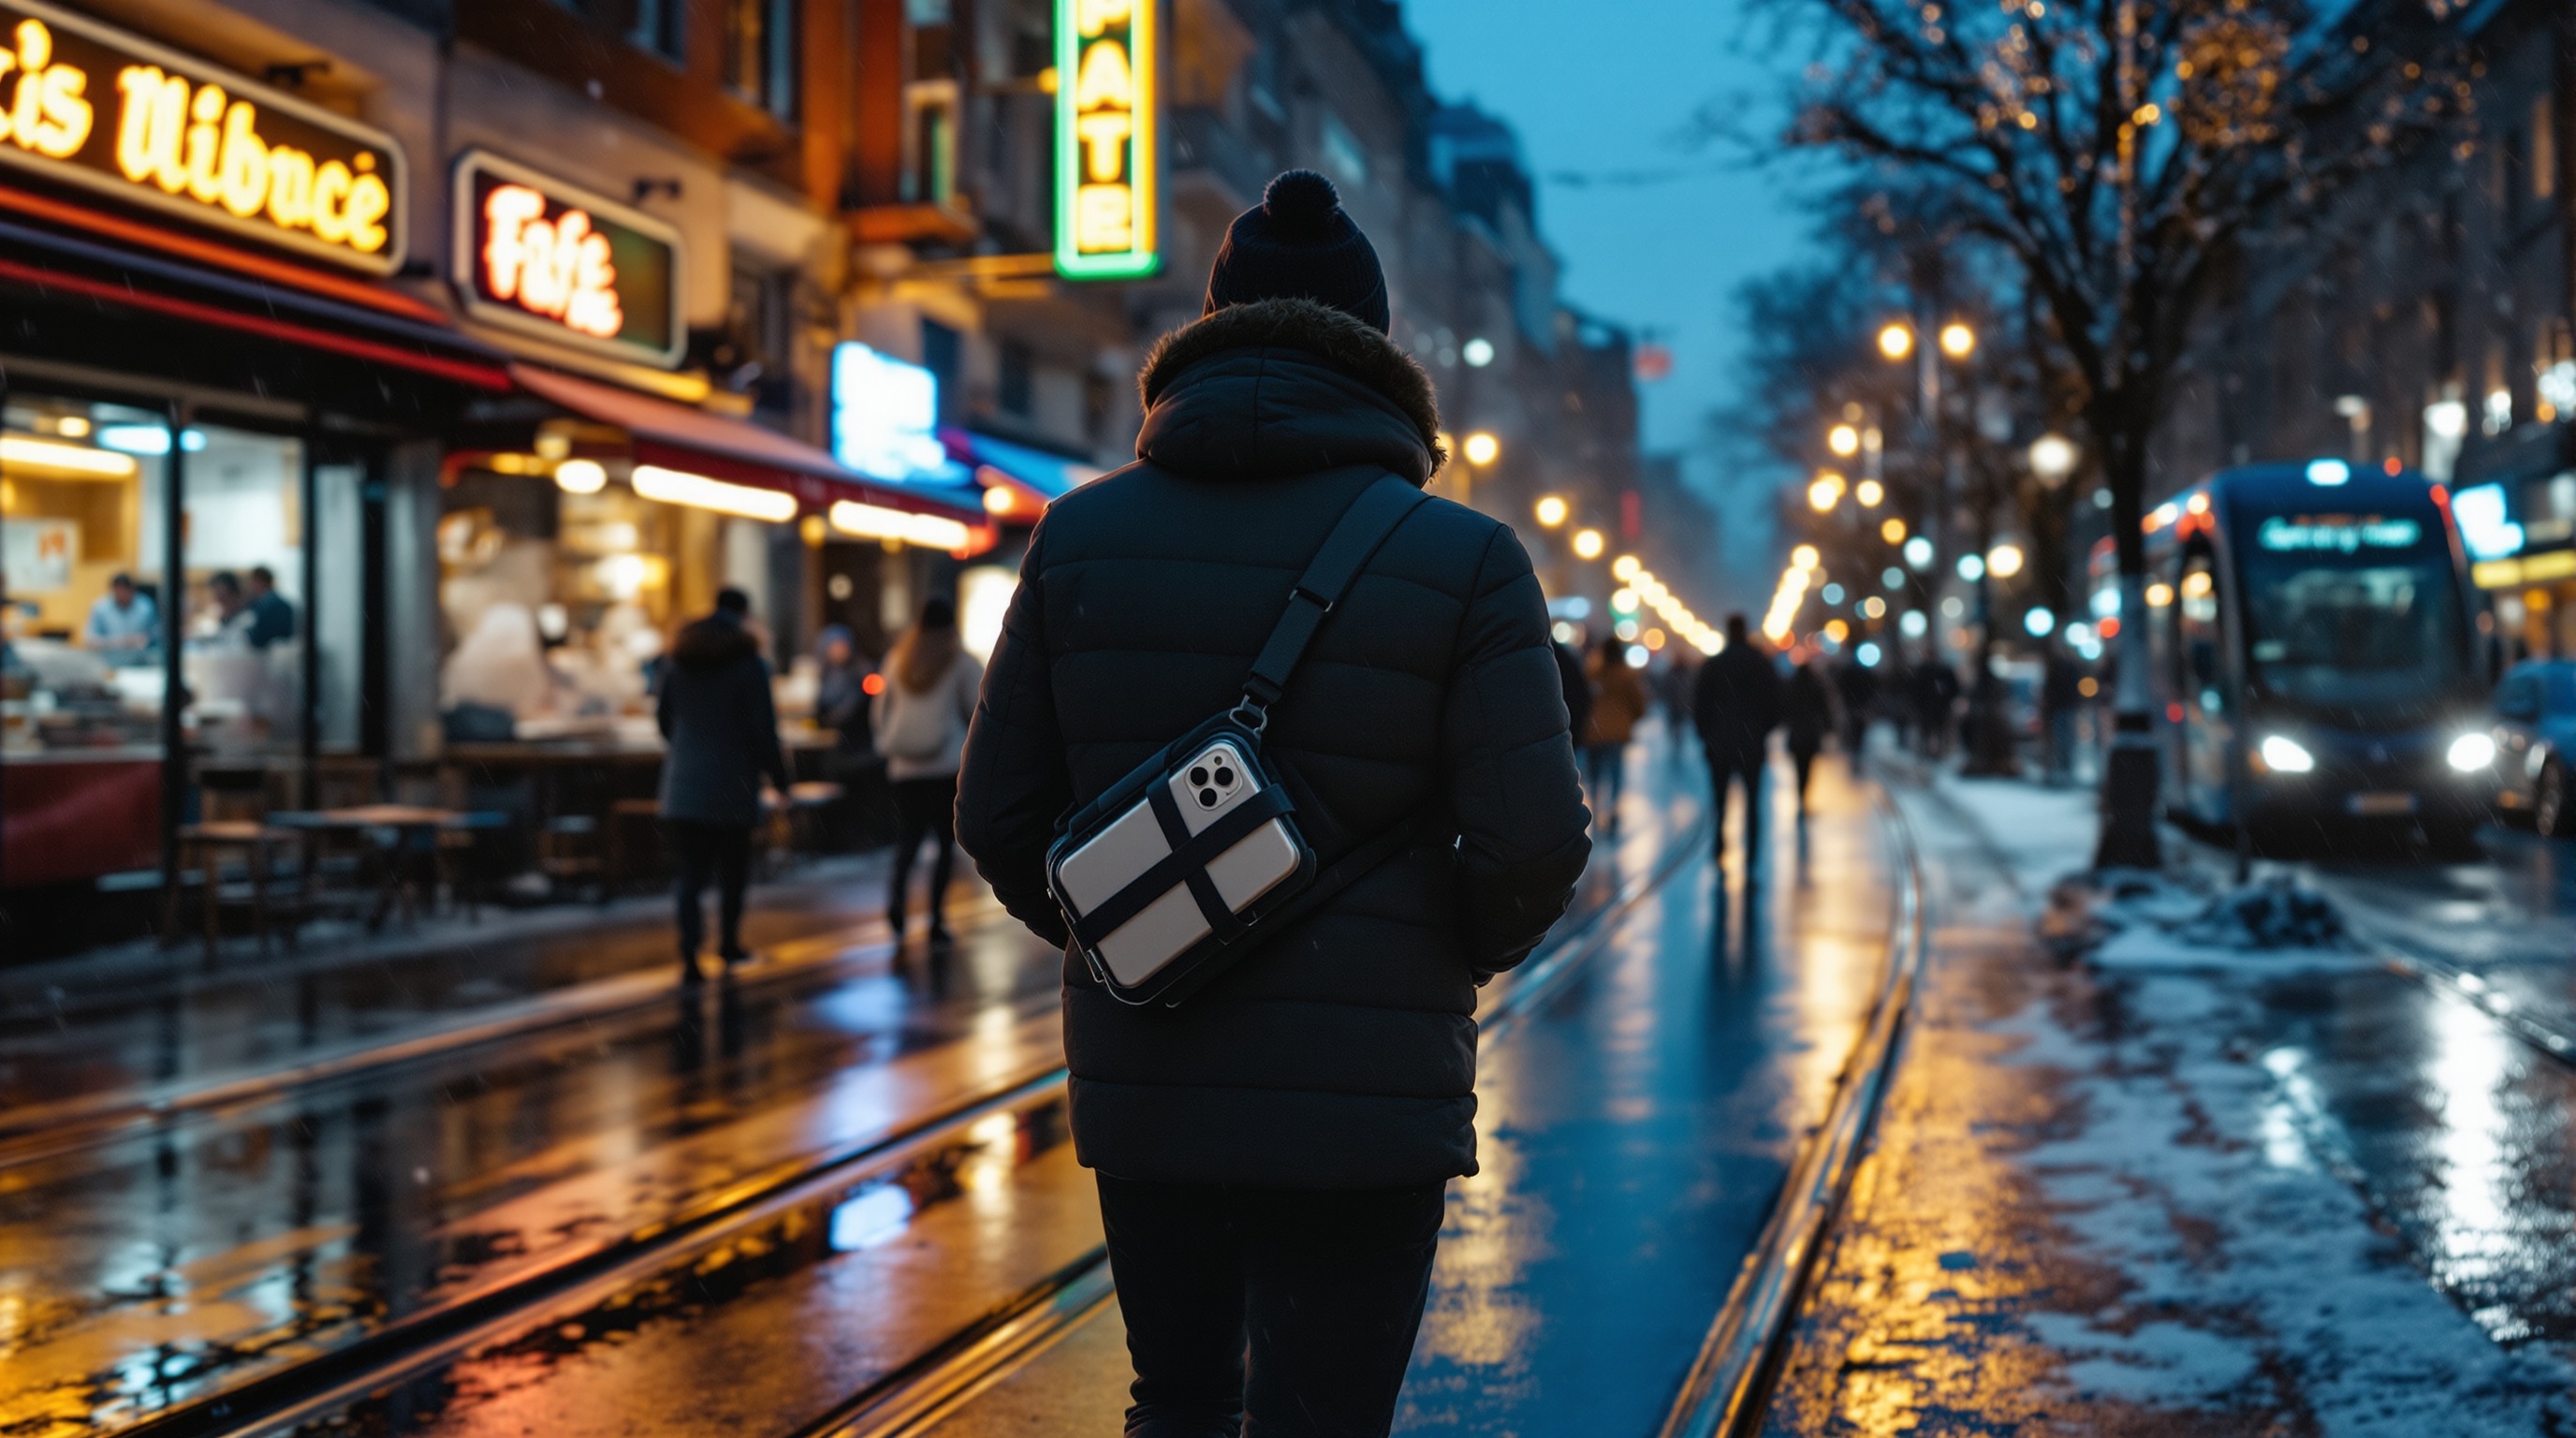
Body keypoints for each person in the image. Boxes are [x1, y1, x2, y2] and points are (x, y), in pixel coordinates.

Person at [955, 169, 1589, 1438]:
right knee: (1326, 1417)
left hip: (1157, 1078)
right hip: (1371, 1095)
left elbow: (998, 813)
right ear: (1382, 344)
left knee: (1179, 1400)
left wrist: (1132, 930)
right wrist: (1430, 953)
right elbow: (1534, 840)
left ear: (1212, 323)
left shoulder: (1078, 535)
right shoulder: (1465, 559)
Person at [657, 587, 790, 983]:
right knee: (733, 871)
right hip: (732, 782)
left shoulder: (677, 661)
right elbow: (763, 730)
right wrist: (780, 779)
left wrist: (688, 751)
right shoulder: (749, 664)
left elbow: (664, 721)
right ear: (743, 614)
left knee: (690, 874)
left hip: (683, 783)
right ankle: (728, 944)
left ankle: (689, 955)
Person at [872, 597, 981, 948]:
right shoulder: (960, 662)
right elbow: (978, 712)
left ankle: (896, 907)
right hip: (945, 766)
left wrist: (887, 744)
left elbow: (880, 713)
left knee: (907, 840)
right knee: (944, 845)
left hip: (904, 769)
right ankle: (935, 919)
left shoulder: (897, 660)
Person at [1694, 614, 1783, 867]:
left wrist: (1706, 734)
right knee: (1753, 804)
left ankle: (1720, 845)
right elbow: (1775, 702)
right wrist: (1763, 730)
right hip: (1751, 742)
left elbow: (1701, 702)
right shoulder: (1760, 663)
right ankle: (1752, 857)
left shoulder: (1715, 664)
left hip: (1719, 742)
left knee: (1720, 801)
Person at [1582, 635, 1647, 828]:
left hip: (1593, 730)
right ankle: (1612, 810)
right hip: (1617, 732)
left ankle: (1594, 810)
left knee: (1595, 774)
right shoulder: (1626, 674)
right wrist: (1629, 719)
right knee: (1615, 773)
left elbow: (1583, 697)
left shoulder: (1593, 672)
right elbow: (1638, 703)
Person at [1783, 655, 1840, 815]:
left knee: (1798, 767)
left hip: (1796, 733)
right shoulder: (1815, 685)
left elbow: (1784, 708)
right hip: (1810, 733)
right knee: (1807, 767)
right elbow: (1824, 708)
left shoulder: (1792, 686)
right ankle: (1804, 796)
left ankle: (1800, 796)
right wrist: (1829, 727)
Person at [2041, 638, 2085, 785]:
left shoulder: (2067, 667)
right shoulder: (2055, 667)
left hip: (2065, 708)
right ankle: (2061, 770)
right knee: (2060, 741)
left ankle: (2065, 770)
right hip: (2059, 708)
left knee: (2066, 741)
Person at [83, 574, 157, 658]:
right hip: (109, 660)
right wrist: (118, 642)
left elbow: (157, 634)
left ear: (132, 590)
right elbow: (89, 640)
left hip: (140, 659)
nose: (122, 595)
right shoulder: (100, 608)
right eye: (118, 592)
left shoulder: (145, 606)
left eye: (125, 591)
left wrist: (146, 639)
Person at [242, 565, 295, 650]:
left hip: (270, 653)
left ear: (258, 582)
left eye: (251, 582)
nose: (250, 586)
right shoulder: (278, 602)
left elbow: (260, 638)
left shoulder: (268, 605)